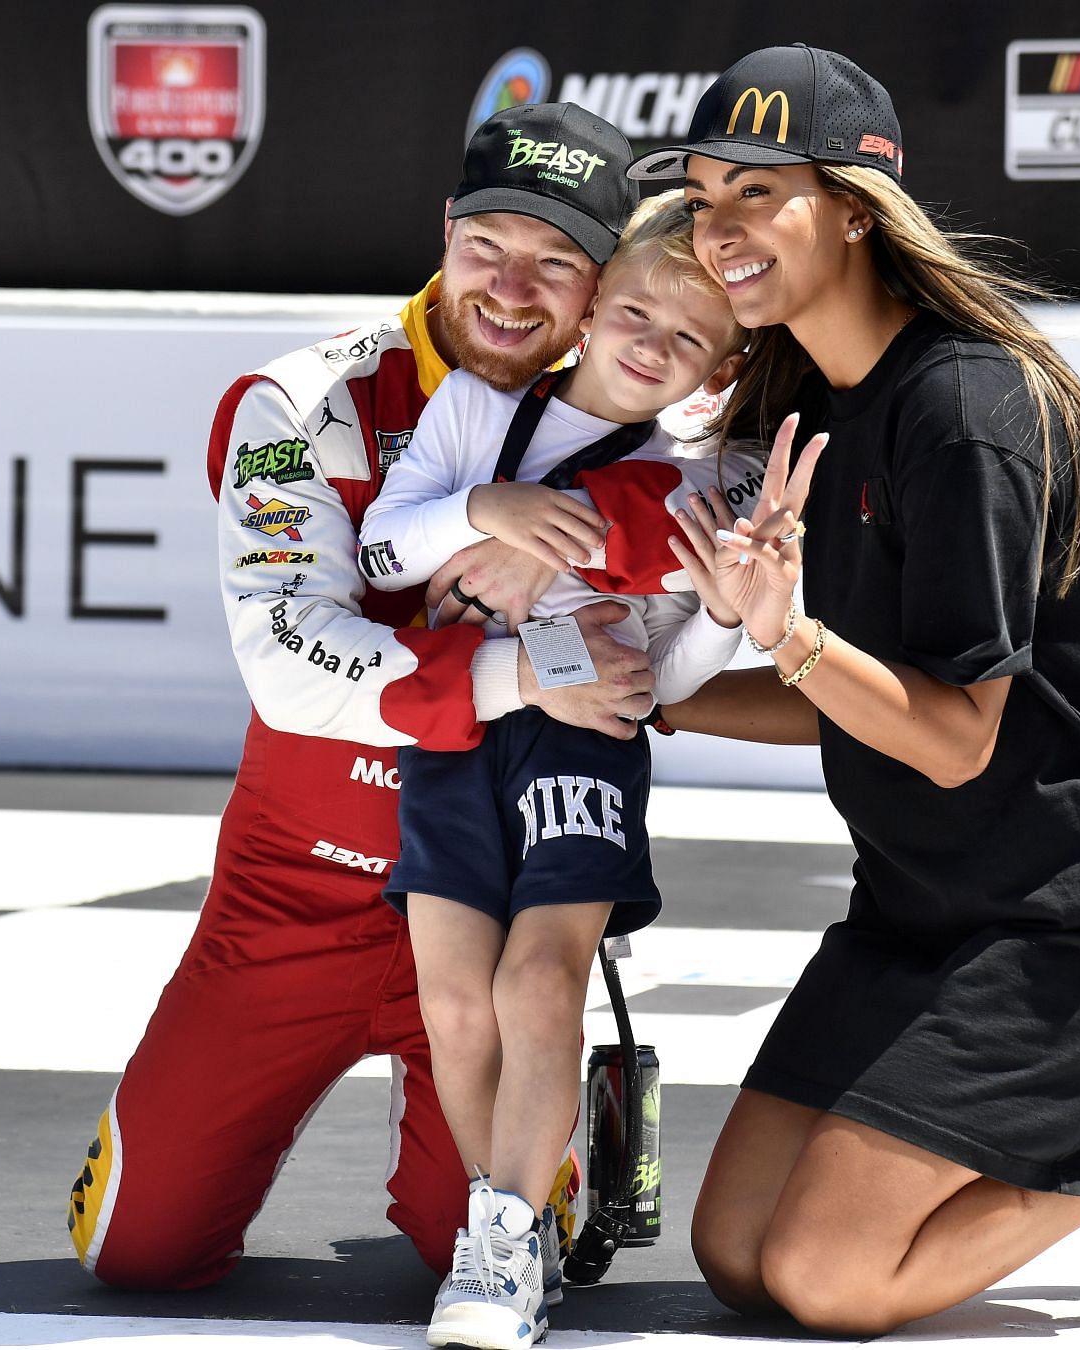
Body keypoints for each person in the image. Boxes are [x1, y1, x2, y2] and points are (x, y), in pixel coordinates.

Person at [633, 45, 1080, 1334]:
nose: (721, 228)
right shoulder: (818, 401)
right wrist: (656, 699)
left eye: (759, 191)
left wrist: (791, 636)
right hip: (922, 907)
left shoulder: (967, 408)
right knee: (736, 1253)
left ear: (856, 207)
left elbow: (959, 738)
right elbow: (854, 697)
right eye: (702, 199)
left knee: (828, 1280)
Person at [67, 102, 698, 1292]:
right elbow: (288, 658)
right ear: (445, 228)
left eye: (559, 262)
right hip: (296, 884)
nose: (515, 290)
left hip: (498, 897)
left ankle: (557, 1139)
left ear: (603, 280)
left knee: (515, 1252)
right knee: (134, 1254)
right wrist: (521, 666)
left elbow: (695, 550)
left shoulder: (638, 404)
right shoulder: (294, 403)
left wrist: (585, 539)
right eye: (490, 248)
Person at [358, 191, 756, 1349]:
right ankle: (513, 1226)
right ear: (588, 311)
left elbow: (668, 682)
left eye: (687, 339)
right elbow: (384, 550)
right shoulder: (477, 411)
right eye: (632, 311)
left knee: (538, 986)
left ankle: (497, 1244)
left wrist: (725, 614)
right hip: (454, 733)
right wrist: (489, 513)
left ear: (719, 371)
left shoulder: (700, 480)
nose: (648, 344)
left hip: (583, 736)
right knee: (450, 1005)